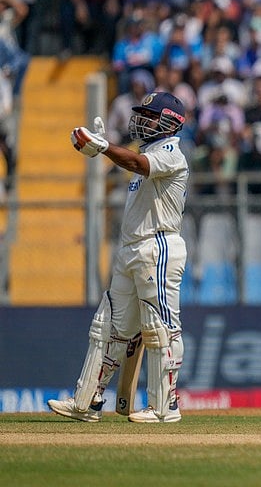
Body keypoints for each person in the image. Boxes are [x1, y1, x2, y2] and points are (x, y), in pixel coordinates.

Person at [49, 91, 189, 423]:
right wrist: (103, 145)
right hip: (131, 250)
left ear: (170, 121)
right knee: (107, 326)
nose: (141, 119)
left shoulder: (171, 152)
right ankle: (87, 401)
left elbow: (135, 163)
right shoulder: (145, 151)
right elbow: (130, 159)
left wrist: (103, 147)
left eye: (150, 115)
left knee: (160, 328)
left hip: (158, 246)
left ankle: (164, 406)